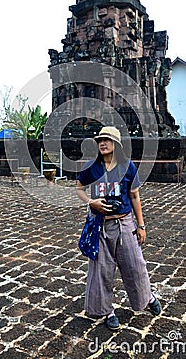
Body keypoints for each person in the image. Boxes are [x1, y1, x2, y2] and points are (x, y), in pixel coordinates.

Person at [76, 126, 161, 330]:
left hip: (125, 223)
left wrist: (141, 225)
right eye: (100, 140)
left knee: (135, 265)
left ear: (117, 144)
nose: (103, 143)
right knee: (102, 270)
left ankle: (146, 298)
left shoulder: (128, 167)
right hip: (100, 225)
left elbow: (134, 196)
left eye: (107, 140)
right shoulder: (91, 167)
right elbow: (79, 188)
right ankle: (107, 310)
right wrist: (90, 202)